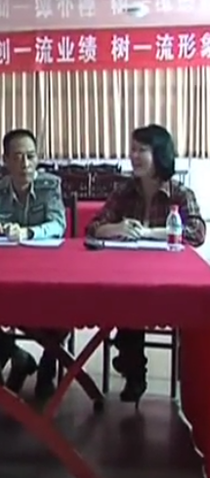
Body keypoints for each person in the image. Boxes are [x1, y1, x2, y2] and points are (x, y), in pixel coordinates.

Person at [86, 124, 205, 404]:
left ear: (159, 154)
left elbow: (197, 233)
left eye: (142, 150)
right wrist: (116, 228)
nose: (134, 156)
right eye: (132, 149)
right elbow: (93, 228)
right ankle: (133, 368)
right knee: (126, 299)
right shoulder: (123, 192)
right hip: (127, 274)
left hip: (168, 278)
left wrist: (151, 233)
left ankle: (135, 362)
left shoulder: (180, 193)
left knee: (143, 305)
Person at [0, 128, 69, 399]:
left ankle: (48, 367)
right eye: (18, 157)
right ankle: (13, 355)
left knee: (69, 304)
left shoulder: (50, 186)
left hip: (45, 272)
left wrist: (28, 233)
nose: (25, 164)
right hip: (3, 274)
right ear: (6, 160)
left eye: (31, 156)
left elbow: (58, 225)